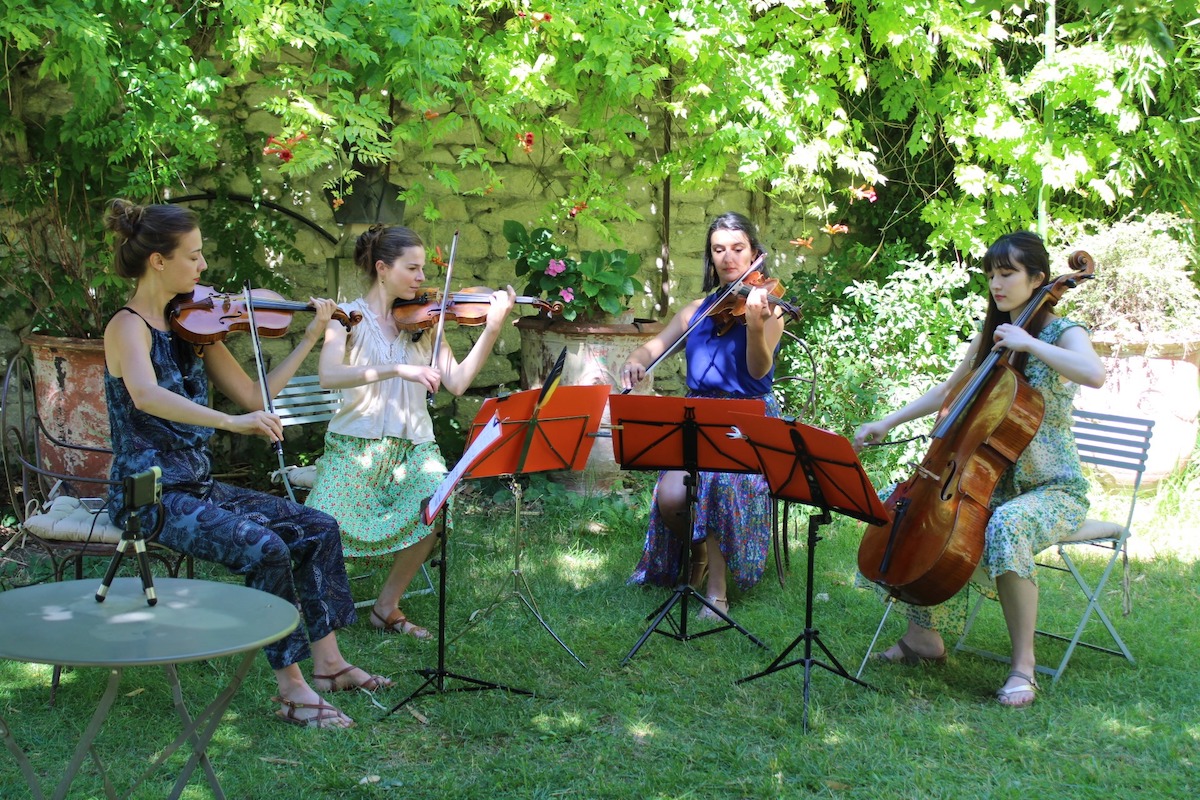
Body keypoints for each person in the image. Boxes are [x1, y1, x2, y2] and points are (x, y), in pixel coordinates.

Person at [103, 199, 390, 730]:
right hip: (149, 496)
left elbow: (256, 395)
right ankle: (293, 691)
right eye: (194, 256)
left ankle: (328, 666)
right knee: (266, 548)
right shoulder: (127, 328)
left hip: (197, 486)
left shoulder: (192, 326)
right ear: (159, 262)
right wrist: (230, 424)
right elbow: (144, 395)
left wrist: (307, 339)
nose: (204, 267)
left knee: (318, 527)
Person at [852, 231, 1106, 708]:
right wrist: (886, 421)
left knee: (1007, 526)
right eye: (991, 273)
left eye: (1008, 273)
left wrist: (1029, 342)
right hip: (986, 483)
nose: (996, 282)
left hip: (1052, 489)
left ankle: (1023, 669)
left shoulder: (1062, 331)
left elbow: (1094, 373)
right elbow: (947, 395)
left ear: (1038, 279)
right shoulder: (992, 338)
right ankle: (924, 638)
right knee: (908, 507)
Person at [305, 224, 515, 639]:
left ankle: (386, 607)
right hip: (354, 448)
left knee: (436, 502)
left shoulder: (426, 323)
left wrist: (491, 327)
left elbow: (456, 382)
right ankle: (311, 603)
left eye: (423, 270)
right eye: (413, 268)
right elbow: (329, 374)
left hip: (415, 447)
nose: (422, 279)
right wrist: (398, 368)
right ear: (383, 269)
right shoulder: (345, 317)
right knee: (319, 522)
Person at [623, 211, 787, 618]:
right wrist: (636, 359)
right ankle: (697, 557)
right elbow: (653, 347)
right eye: (719, 249)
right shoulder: (696, 311)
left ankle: (717, 593)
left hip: (748, 421)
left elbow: (757, 371)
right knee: (671, 495)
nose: (728, 257)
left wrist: (753, 327)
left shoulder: (770, 310)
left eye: (737, 248)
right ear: (710, 257)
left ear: (755, 253)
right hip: (698, 418)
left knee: (713, 483)